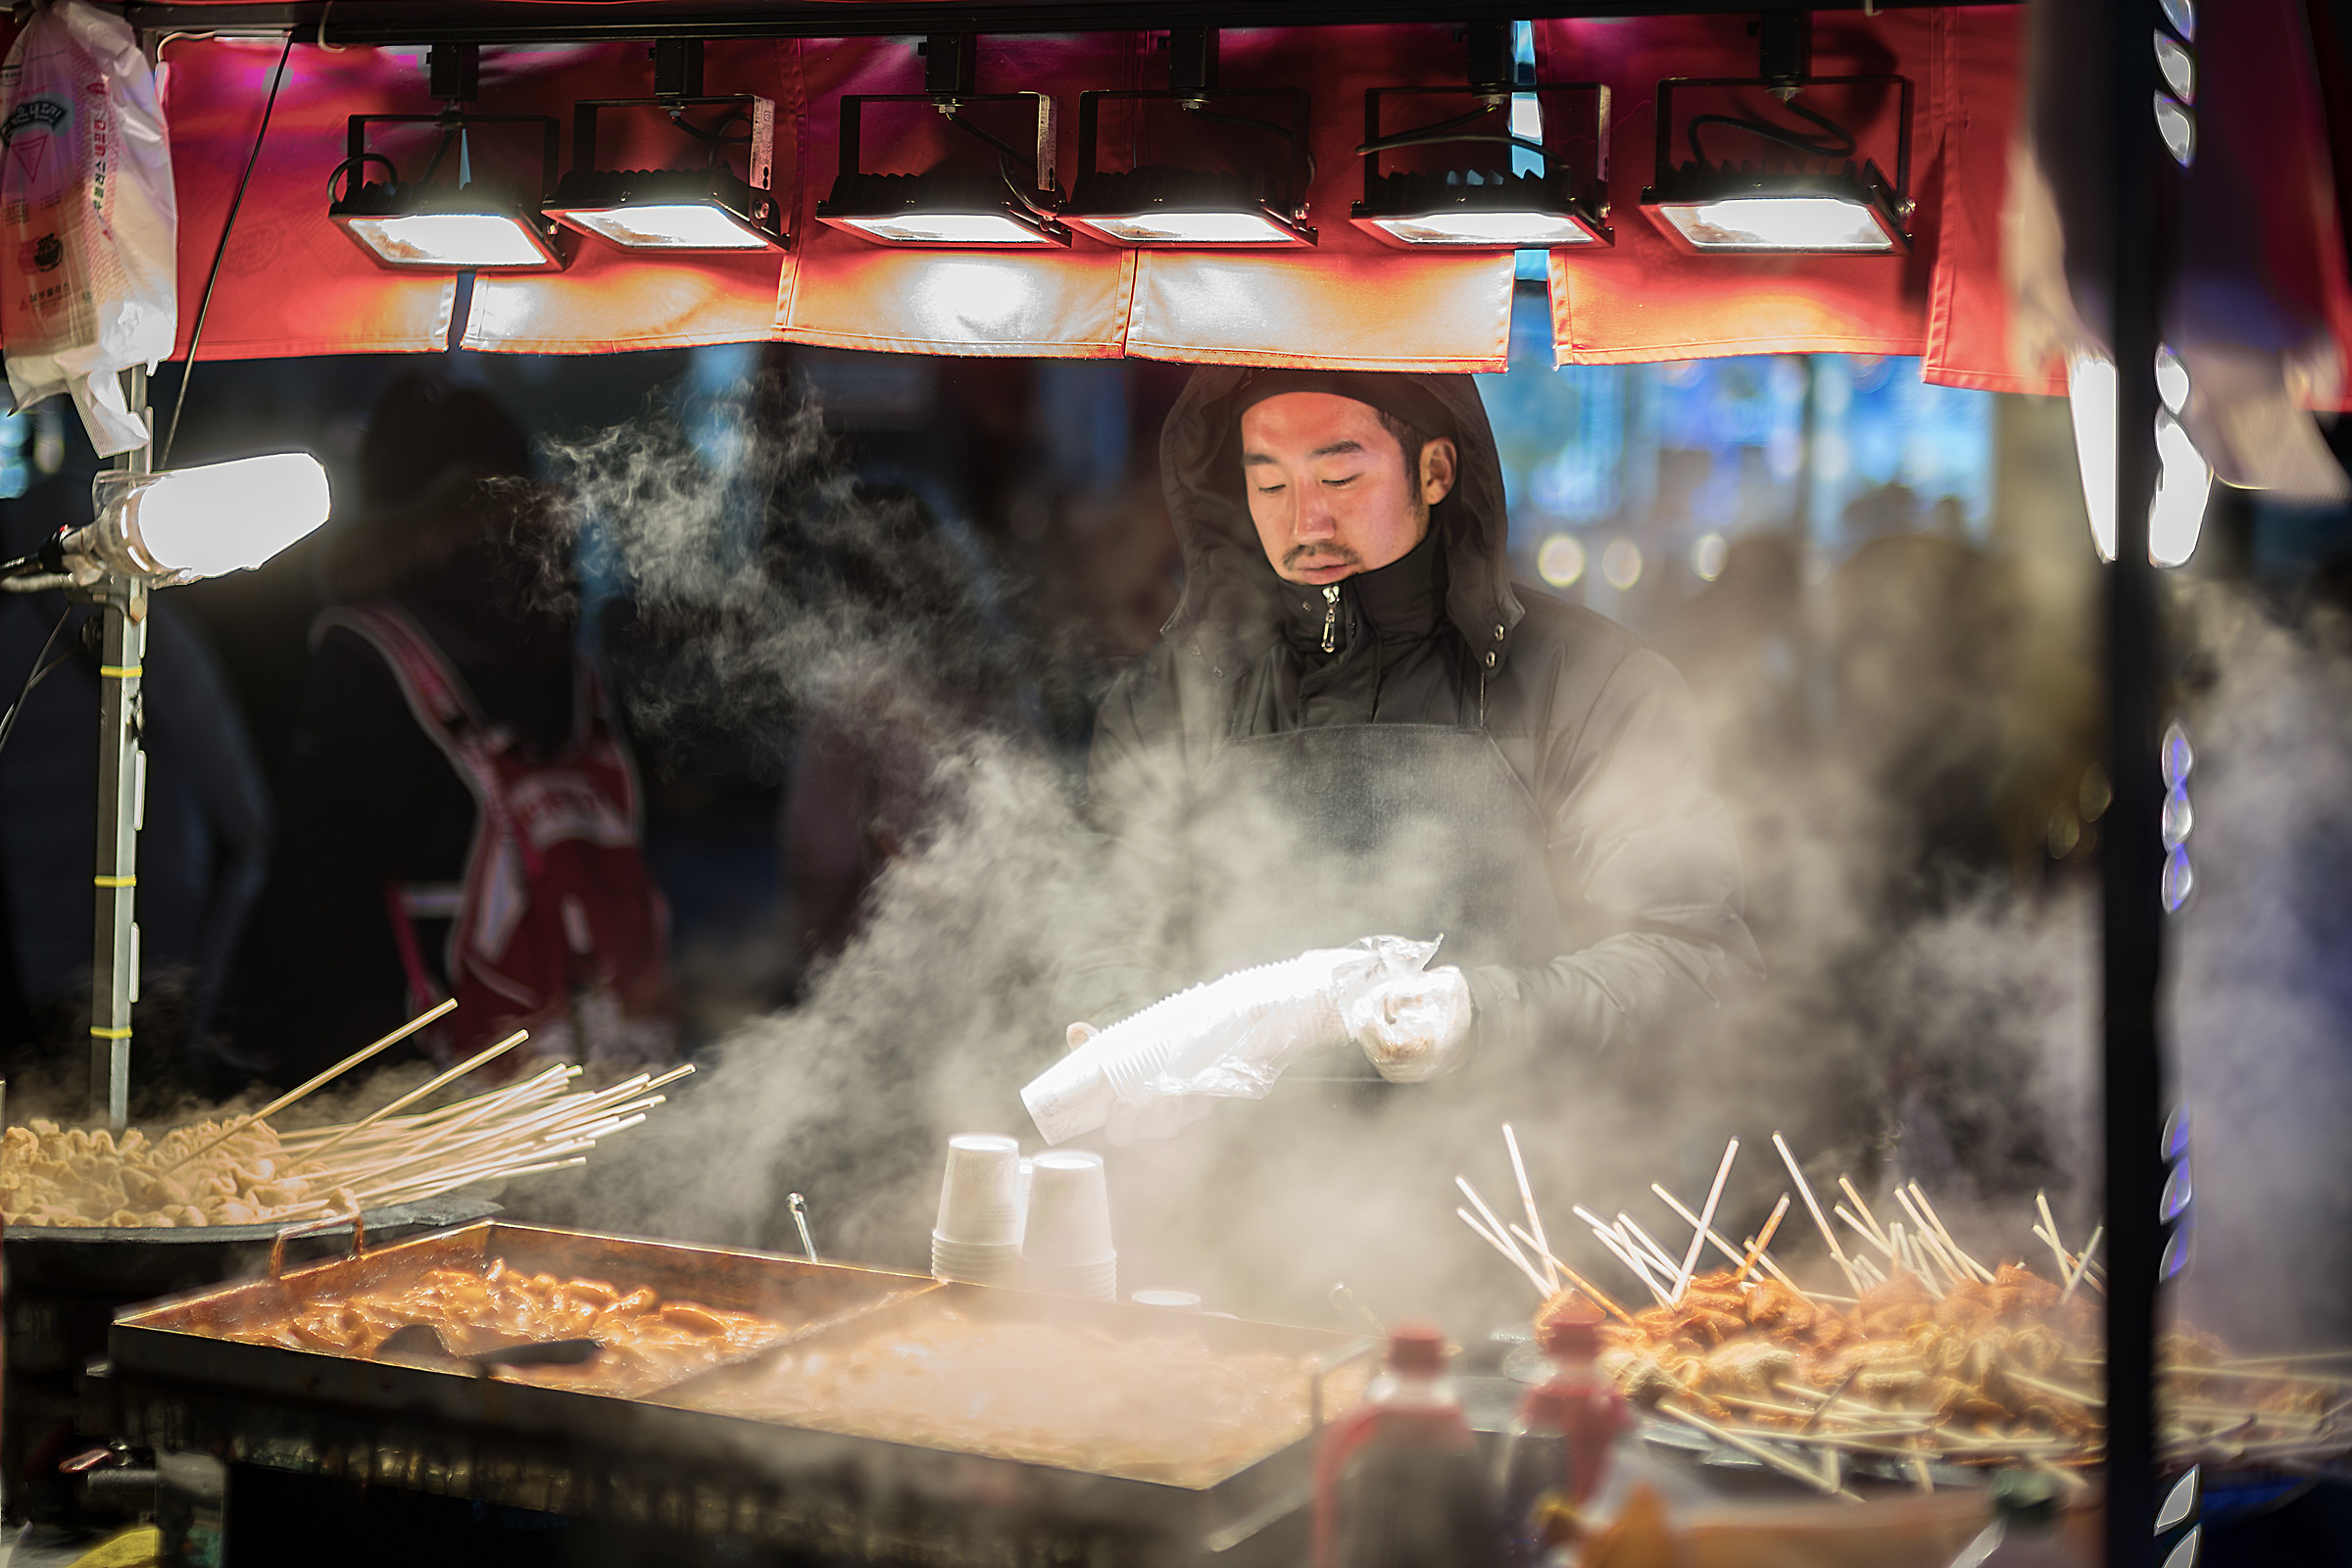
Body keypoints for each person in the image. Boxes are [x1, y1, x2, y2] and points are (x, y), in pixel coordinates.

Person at [1086, 369, 1761, 1086]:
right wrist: (1111, 1031)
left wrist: (1484, 1012)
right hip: (1238, 1178)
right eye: (1272, 486)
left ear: (1435, 470)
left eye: (1340, 478)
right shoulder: (1173, 700)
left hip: (1517, 1177)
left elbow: (1695, 957)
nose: (1305, 523)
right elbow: (1099, 926)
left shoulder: (1590, 682)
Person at [227, 375, 673, 1088]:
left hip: (412, 1069)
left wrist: (245, 1028)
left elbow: (321, 869)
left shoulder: (372, 649)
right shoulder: (569, 649)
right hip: (578, 1054)